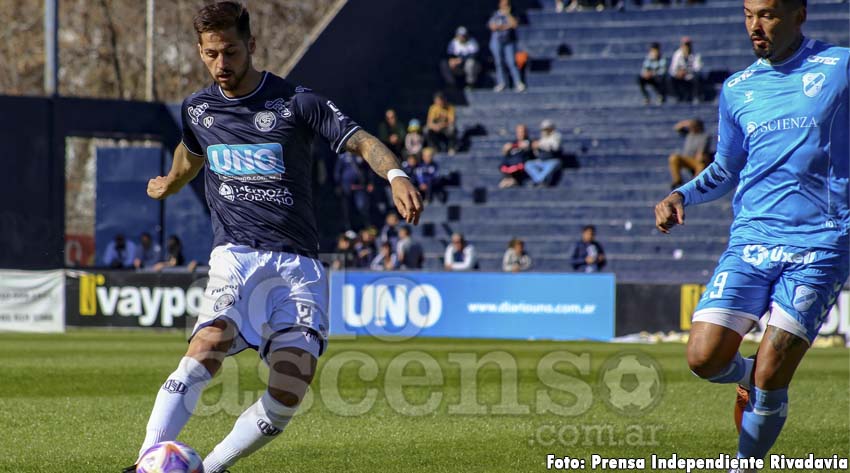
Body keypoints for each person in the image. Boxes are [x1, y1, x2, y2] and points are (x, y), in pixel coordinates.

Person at [127, 3, 423, 472]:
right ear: (200, 52)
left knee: (289, 389)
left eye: (230, 52)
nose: (221, 64)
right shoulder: (199, 109)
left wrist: (397, 175)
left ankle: (209, 468)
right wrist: (170, 182)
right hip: (235, 256)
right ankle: (147, 461)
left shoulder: (296, 102)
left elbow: (363, 140)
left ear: (251, 46)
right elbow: (191, 153)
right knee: (207, 345)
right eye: (210, 54)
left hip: (298, 266)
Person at [654, 0, 848, 468]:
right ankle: (748, 378)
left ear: (798, 14)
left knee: (773, 372)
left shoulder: (840, 67)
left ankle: (745, 461)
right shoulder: (738, 88)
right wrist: (681, 194)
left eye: (767, 14)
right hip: (751, 240)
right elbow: (727, 167)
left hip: (819, 242)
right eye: (747, 14)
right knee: (703, 358)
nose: (754, 26)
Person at [488, 0, 526, 92]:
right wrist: (505, 26)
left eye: (507, 4)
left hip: (509, 41)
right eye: (503, 3)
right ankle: (502, 83)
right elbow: (492, 26)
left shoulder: (512, 14)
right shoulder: (495, 14)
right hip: (497, 41)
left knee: (511, 62)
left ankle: (518, 82)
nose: (505, 5)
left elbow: (514, 24)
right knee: (499, 62)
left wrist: (507, 15)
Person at [669, 118, 712, 189]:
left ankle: (696, 183)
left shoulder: (704, 136)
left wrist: (700, 155)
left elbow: (702, 150)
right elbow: (676, 128)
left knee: (701, 161)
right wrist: (686, 123)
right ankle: (677, 180)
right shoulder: (689, 134)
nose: (692, 127)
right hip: (688, 159)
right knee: (674, 158)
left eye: (694, 126)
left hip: (697, 160)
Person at [528, 119, 563, 187]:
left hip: (553, 160)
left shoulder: (556, 136)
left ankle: (538, 180)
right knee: (528, 164)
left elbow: (555, 146)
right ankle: (540, 180)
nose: (545, 131)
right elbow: (538, 154)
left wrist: (540, 144)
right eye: (544, 129)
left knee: (551, 165)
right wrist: (535, 148)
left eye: (547, 129)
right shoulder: (542, 138)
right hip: (542, 161)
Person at [669, 36, 703, 103]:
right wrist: (678, 73)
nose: (686, 47)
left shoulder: (695, 55)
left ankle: (696, 97)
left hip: (691, 77)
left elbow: (698, 68)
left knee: (698, 78)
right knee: (671, 79)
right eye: (685, 45)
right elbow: (672, 69)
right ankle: (676, 97)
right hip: (680, 78)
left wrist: (687, 71)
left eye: (688, 45)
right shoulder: (677, 54)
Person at [499, 123, 534, 188]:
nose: (521, 133)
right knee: (502, 185)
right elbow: (504, 159)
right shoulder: (513, 143)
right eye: (519, 132)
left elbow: (526, 145)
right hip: (509, 172)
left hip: (522, 173)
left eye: (523, 131)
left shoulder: (530, 142)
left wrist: (512, 146)